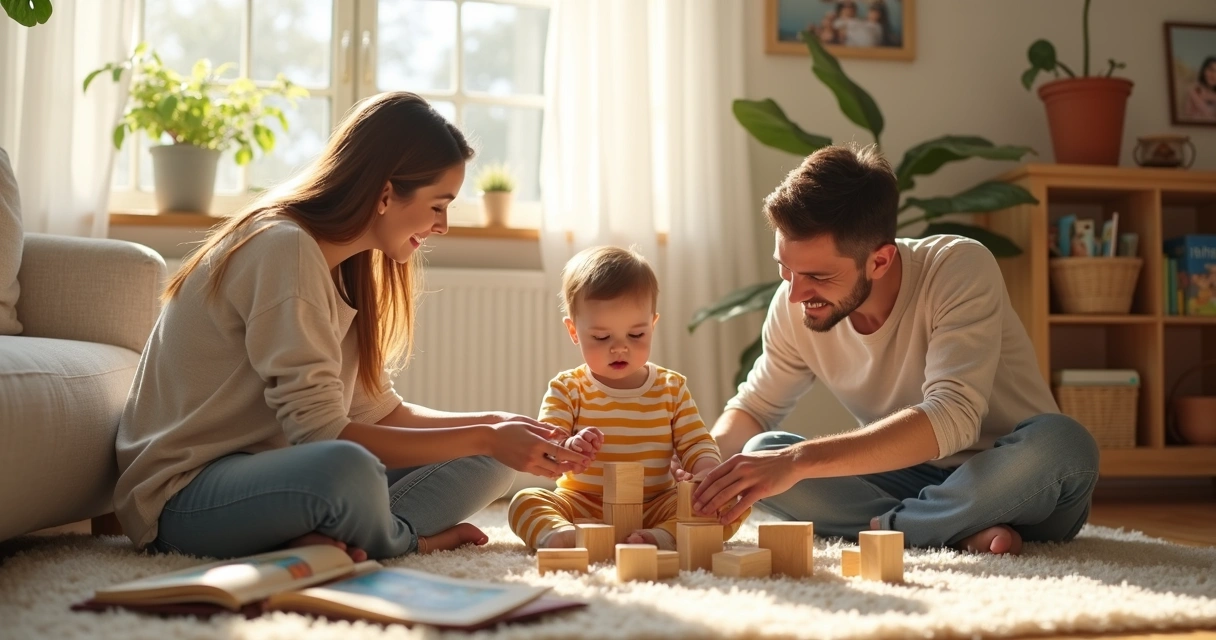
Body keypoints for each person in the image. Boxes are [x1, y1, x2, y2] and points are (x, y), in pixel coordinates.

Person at [113, 91, 588, 562]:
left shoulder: (346, 265)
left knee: (491, 463)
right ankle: (404, 540)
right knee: (347, 467)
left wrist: (494, 427)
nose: (442, 225)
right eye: (439, 205)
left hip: (278, 479)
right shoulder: (283, 247)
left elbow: (375, 411)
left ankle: (335, 536)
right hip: (185, 496)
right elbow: (322, 435)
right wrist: (484, 435)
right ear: (385, 194)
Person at [692, 145, 1099, 556]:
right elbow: (755, 410)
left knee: (1065, 444)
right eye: (785, 269)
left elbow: (952, 418)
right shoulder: (793, 302)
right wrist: (702, 463)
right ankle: (946, 529)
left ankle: (901, 527)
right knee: (758, 454)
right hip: (908, 477)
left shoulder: (956, 268)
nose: (795, 293)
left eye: (817, 275)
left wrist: (799, 461)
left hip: (1011, 478)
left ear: (880, 261)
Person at [507, 246, 748, 551]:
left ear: (652, 325)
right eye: (602, 337)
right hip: (584, 505)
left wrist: (705, 470)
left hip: (656, 505)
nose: (620, 348)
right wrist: (569, 448)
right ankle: (557, 536)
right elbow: (547, 446)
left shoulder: (671, 388)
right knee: (525, 501)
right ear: (574, 331)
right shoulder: (568, 388)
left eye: (636, 335)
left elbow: (696, 442)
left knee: (730, 504)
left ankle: (662, 536)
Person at [1183, 56, 1216, 122]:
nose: (1213, 75)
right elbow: (1187, 116)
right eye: (1211, 70)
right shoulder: (1193, 90)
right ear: (1204, 70)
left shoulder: (1192, 92)